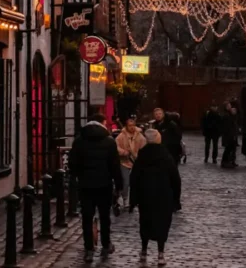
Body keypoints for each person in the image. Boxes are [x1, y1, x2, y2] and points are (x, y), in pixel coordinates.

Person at [70, 112, 124, 260]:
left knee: (87, 218)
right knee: (105, 216)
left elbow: (72, 164)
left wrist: (77, 177)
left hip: (86, 185)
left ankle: (89, 249)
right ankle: (106, 245)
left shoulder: (79, 141)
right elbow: (115, 166)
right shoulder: (109, 141)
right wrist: (119, 185)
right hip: (104, 185)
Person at [130, 129, 180, 266]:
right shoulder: (166, 156)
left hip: (145, 195)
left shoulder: (142, 157)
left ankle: (144, 250)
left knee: (145, 222)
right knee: (162, 224)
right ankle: (160, 253)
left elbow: (134, 178)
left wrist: (133, 199)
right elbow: (175, 179)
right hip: (163, 195)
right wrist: (176, 198)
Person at [114, 116, 147, 212]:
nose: (132, 127)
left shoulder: (140, 136)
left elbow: (144, 147)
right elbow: (116, 147)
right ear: (126, 126)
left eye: (133, 125)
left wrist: (139, 156)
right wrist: (124, 152)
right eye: (129, 125)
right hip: (124, 162)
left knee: (136, 182)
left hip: (136, 162)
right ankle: (125, 199)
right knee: (126, 181)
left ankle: (134, 200)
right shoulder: (121, 136)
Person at [219, 102, 239, 168]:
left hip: (231, 135)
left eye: (230, 106)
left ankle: (228, 161)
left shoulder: (230, 115)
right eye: (228, 106)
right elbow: (227, 127)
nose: (230, 107)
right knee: (227, 149)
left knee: (231, 149)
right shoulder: (226, 115)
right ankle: (224, 162)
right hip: (228, 136)